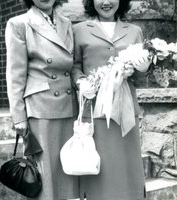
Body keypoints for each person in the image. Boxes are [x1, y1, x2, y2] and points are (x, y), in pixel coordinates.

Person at [71, 0, 151, 200]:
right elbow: (74, 66)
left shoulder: (134, 31)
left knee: (126, 168)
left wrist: (143, 68)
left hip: (125, 111)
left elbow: (141, 80)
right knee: (102, 169)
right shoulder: (78, 30)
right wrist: (81, 82)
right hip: (95, 109)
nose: (106, 2)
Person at [5, 0, 79, 199]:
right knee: (46, 173)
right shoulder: (19, 23)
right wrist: (18, 117)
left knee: (69, 168)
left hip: (69, 105)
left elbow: (72, 66)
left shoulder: (66, 23)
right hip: (41, 108)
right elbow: (15, 74)